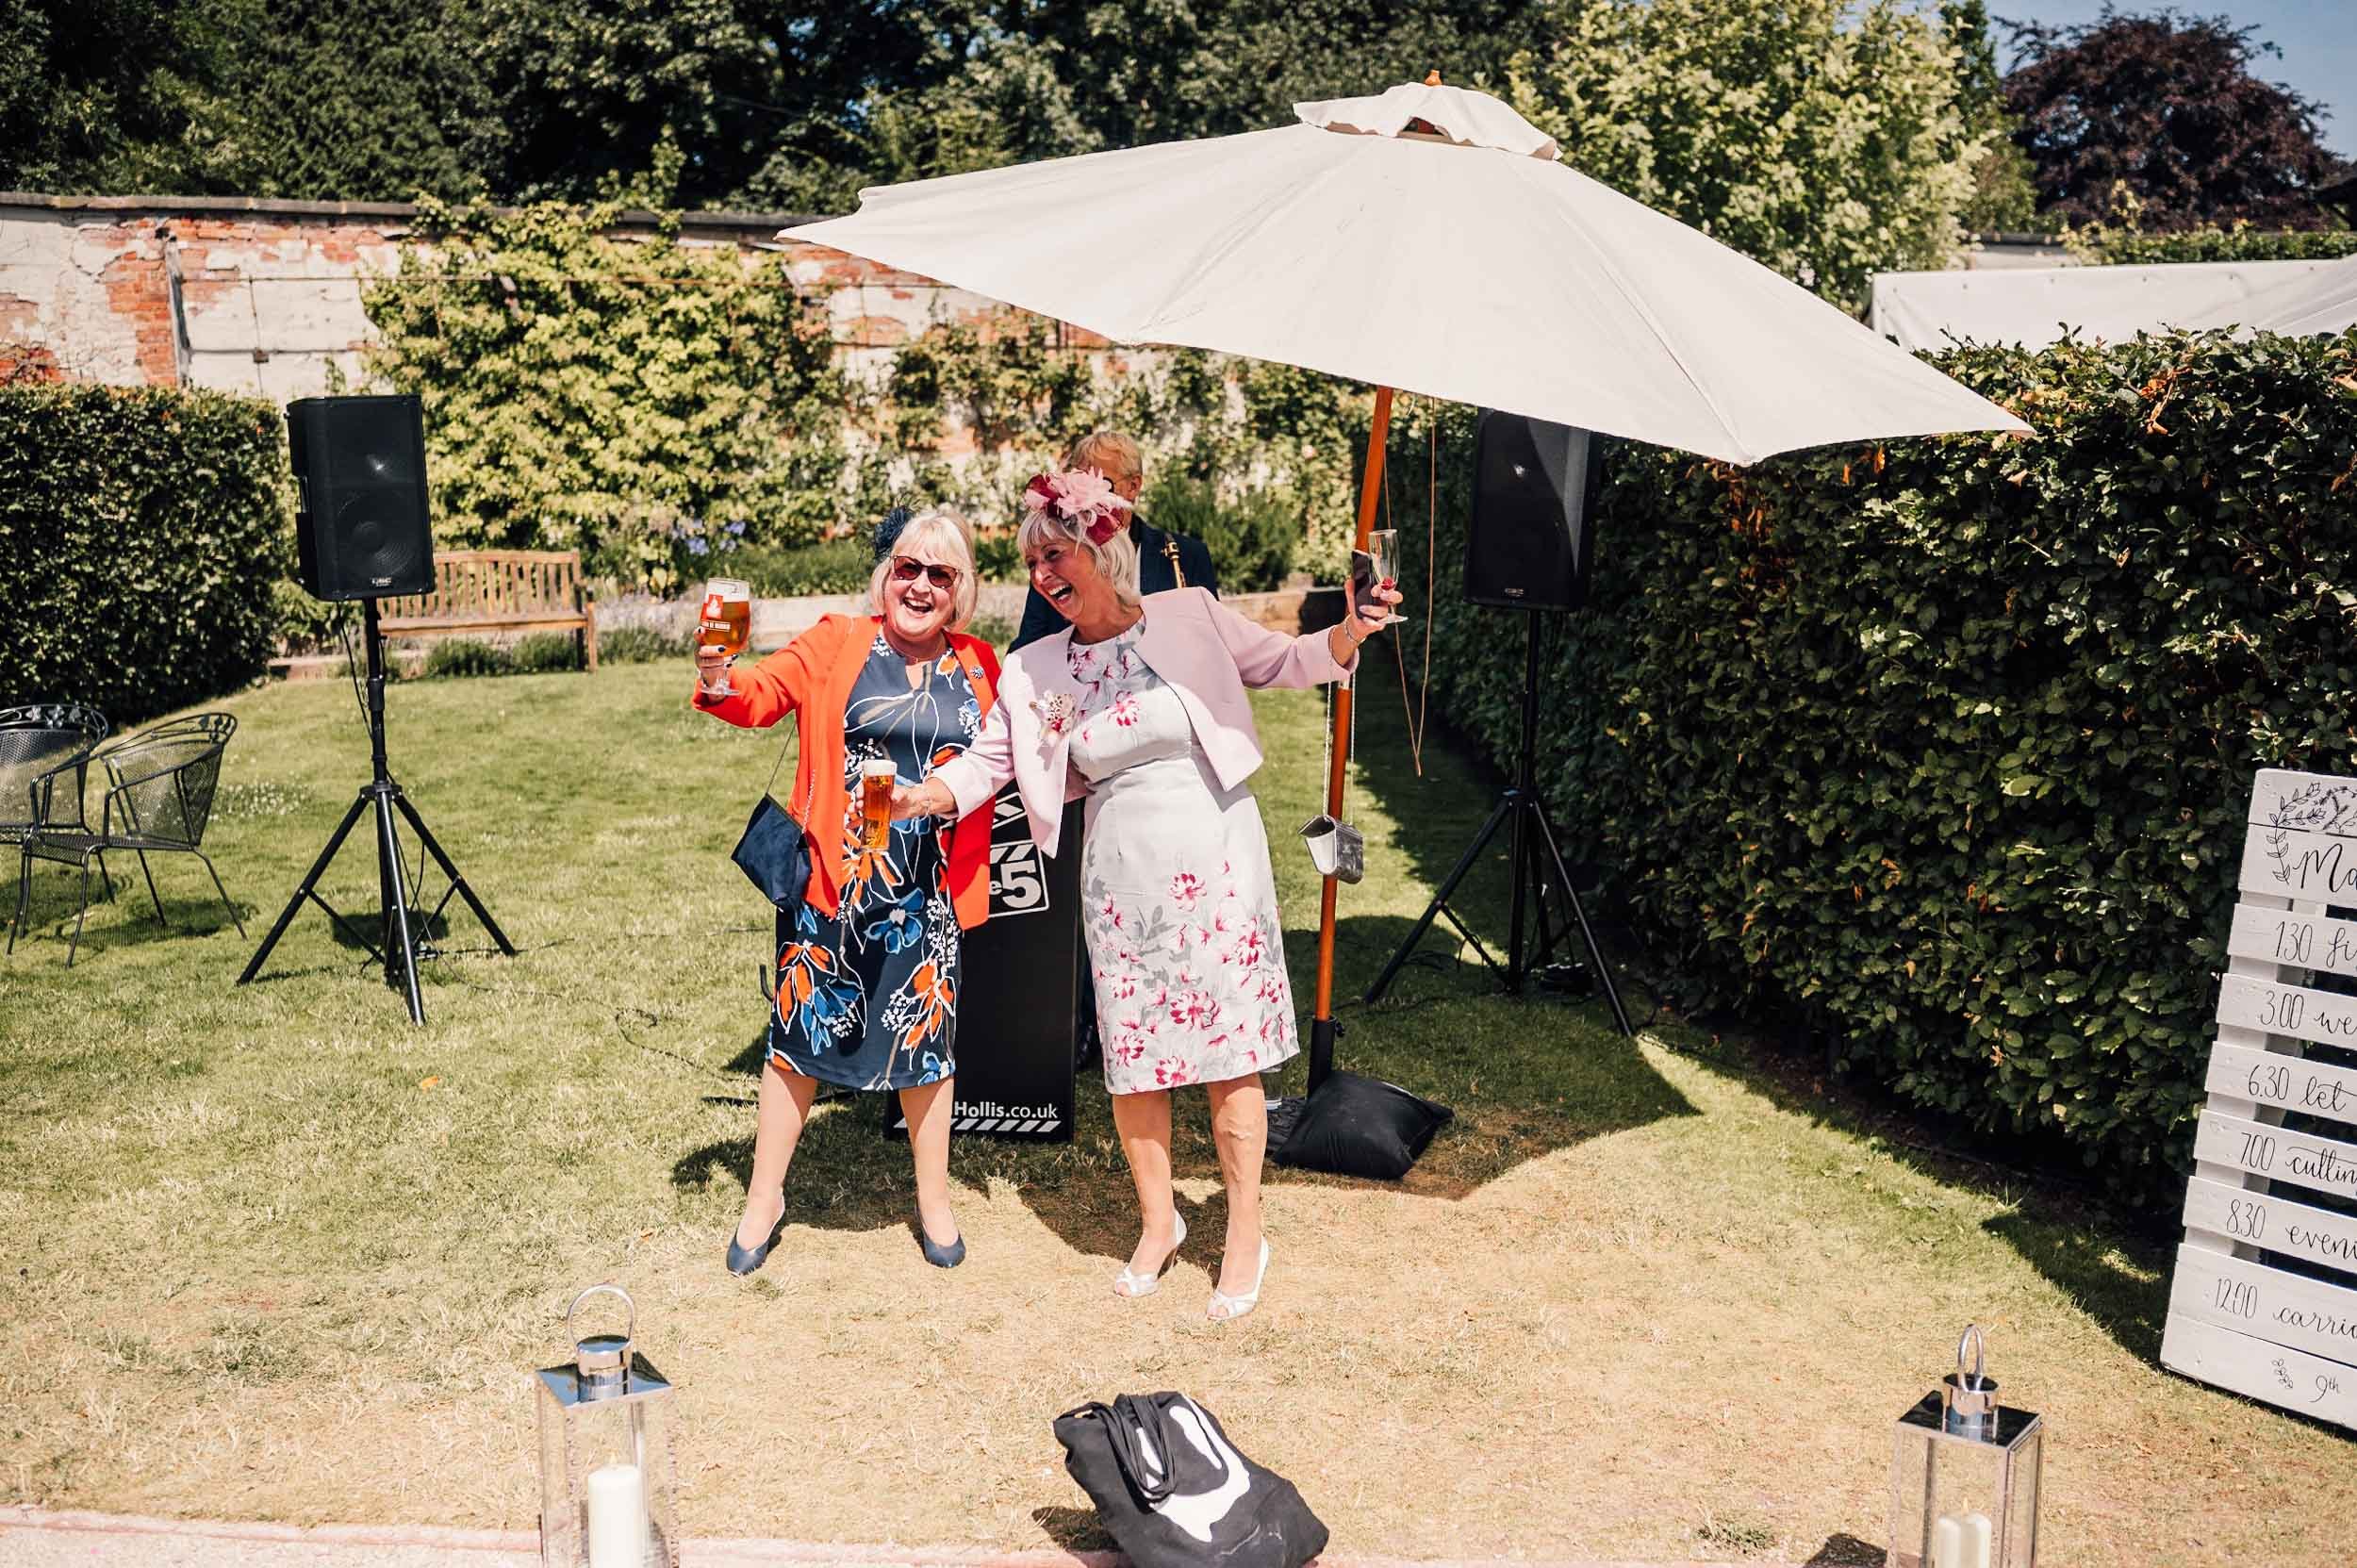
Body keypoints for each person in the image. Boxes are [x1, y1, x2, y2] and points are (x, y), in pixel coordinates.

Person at [894, 468, 1398, 1320]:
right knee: (1137, 1061)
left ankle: (1244, 1229)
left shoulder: (1188, 613)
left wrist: (1351, 628)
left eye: (1057, 555)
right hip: (1120, 876)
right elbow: (987, 764)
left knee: (1228, 1055)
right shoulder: (1032, 668)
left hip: (1217, 856)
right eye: (1033, 563)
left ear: (1102, 547)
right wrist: (922, 796)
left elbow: (1288, 660)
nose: (1045, 576)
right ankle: (1159, 1222)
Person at [693, 508, 1001, 1275]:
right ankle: (765, 1197)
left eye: (940, 574)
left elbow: (1011, 753)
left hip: (924, 892)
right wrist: (717, 675)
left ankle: (934, 1200)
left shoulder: (980, 665)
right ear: (886, 574)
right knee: (797, 1044)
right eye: (907, 567)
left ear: (961, 591)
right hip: (832, 883)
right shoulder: (839, 639)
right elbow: (759, 693)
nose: (920, 585)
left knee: (926, 1049)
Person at [1010, 431, 1218, 652]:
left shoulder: (1187, 555)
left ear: (1134, 486)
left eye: (1102, 484)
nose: (1090, 496)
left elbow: (1212, 643)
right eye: (1081, 485)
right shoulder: (1055, 560)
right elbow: (1029, 644)